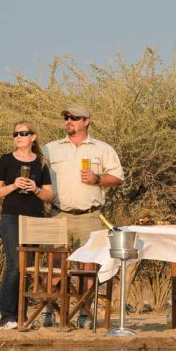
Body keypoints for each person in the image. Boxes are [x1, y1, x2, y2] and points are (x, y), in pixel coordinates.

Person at [0, 121, 53, 330]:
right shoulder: (6, 160)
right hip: (12, 218)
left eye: (23, 133)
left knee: (28, 268)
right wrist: (13, 185)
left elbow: (49, 195)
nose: (18, 136)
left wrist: (35, 189)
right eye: (15, 133)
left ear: (33, 137)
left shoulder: (41, 162)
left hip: (34, 219)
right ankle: (7, 316)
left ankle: (22, 316)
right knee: (15, 265)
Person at [44, 104, 124, 248]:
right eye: (66, 118)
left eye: (74, 118)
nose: (69, 121)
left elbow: (118, 179)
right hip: (57, 216)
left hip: (89, 218)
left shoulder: (103, 148)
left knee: (87, 260)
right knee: (55, 261)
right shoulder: (50, 148)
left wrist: (97, 178)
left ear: (86, 121)